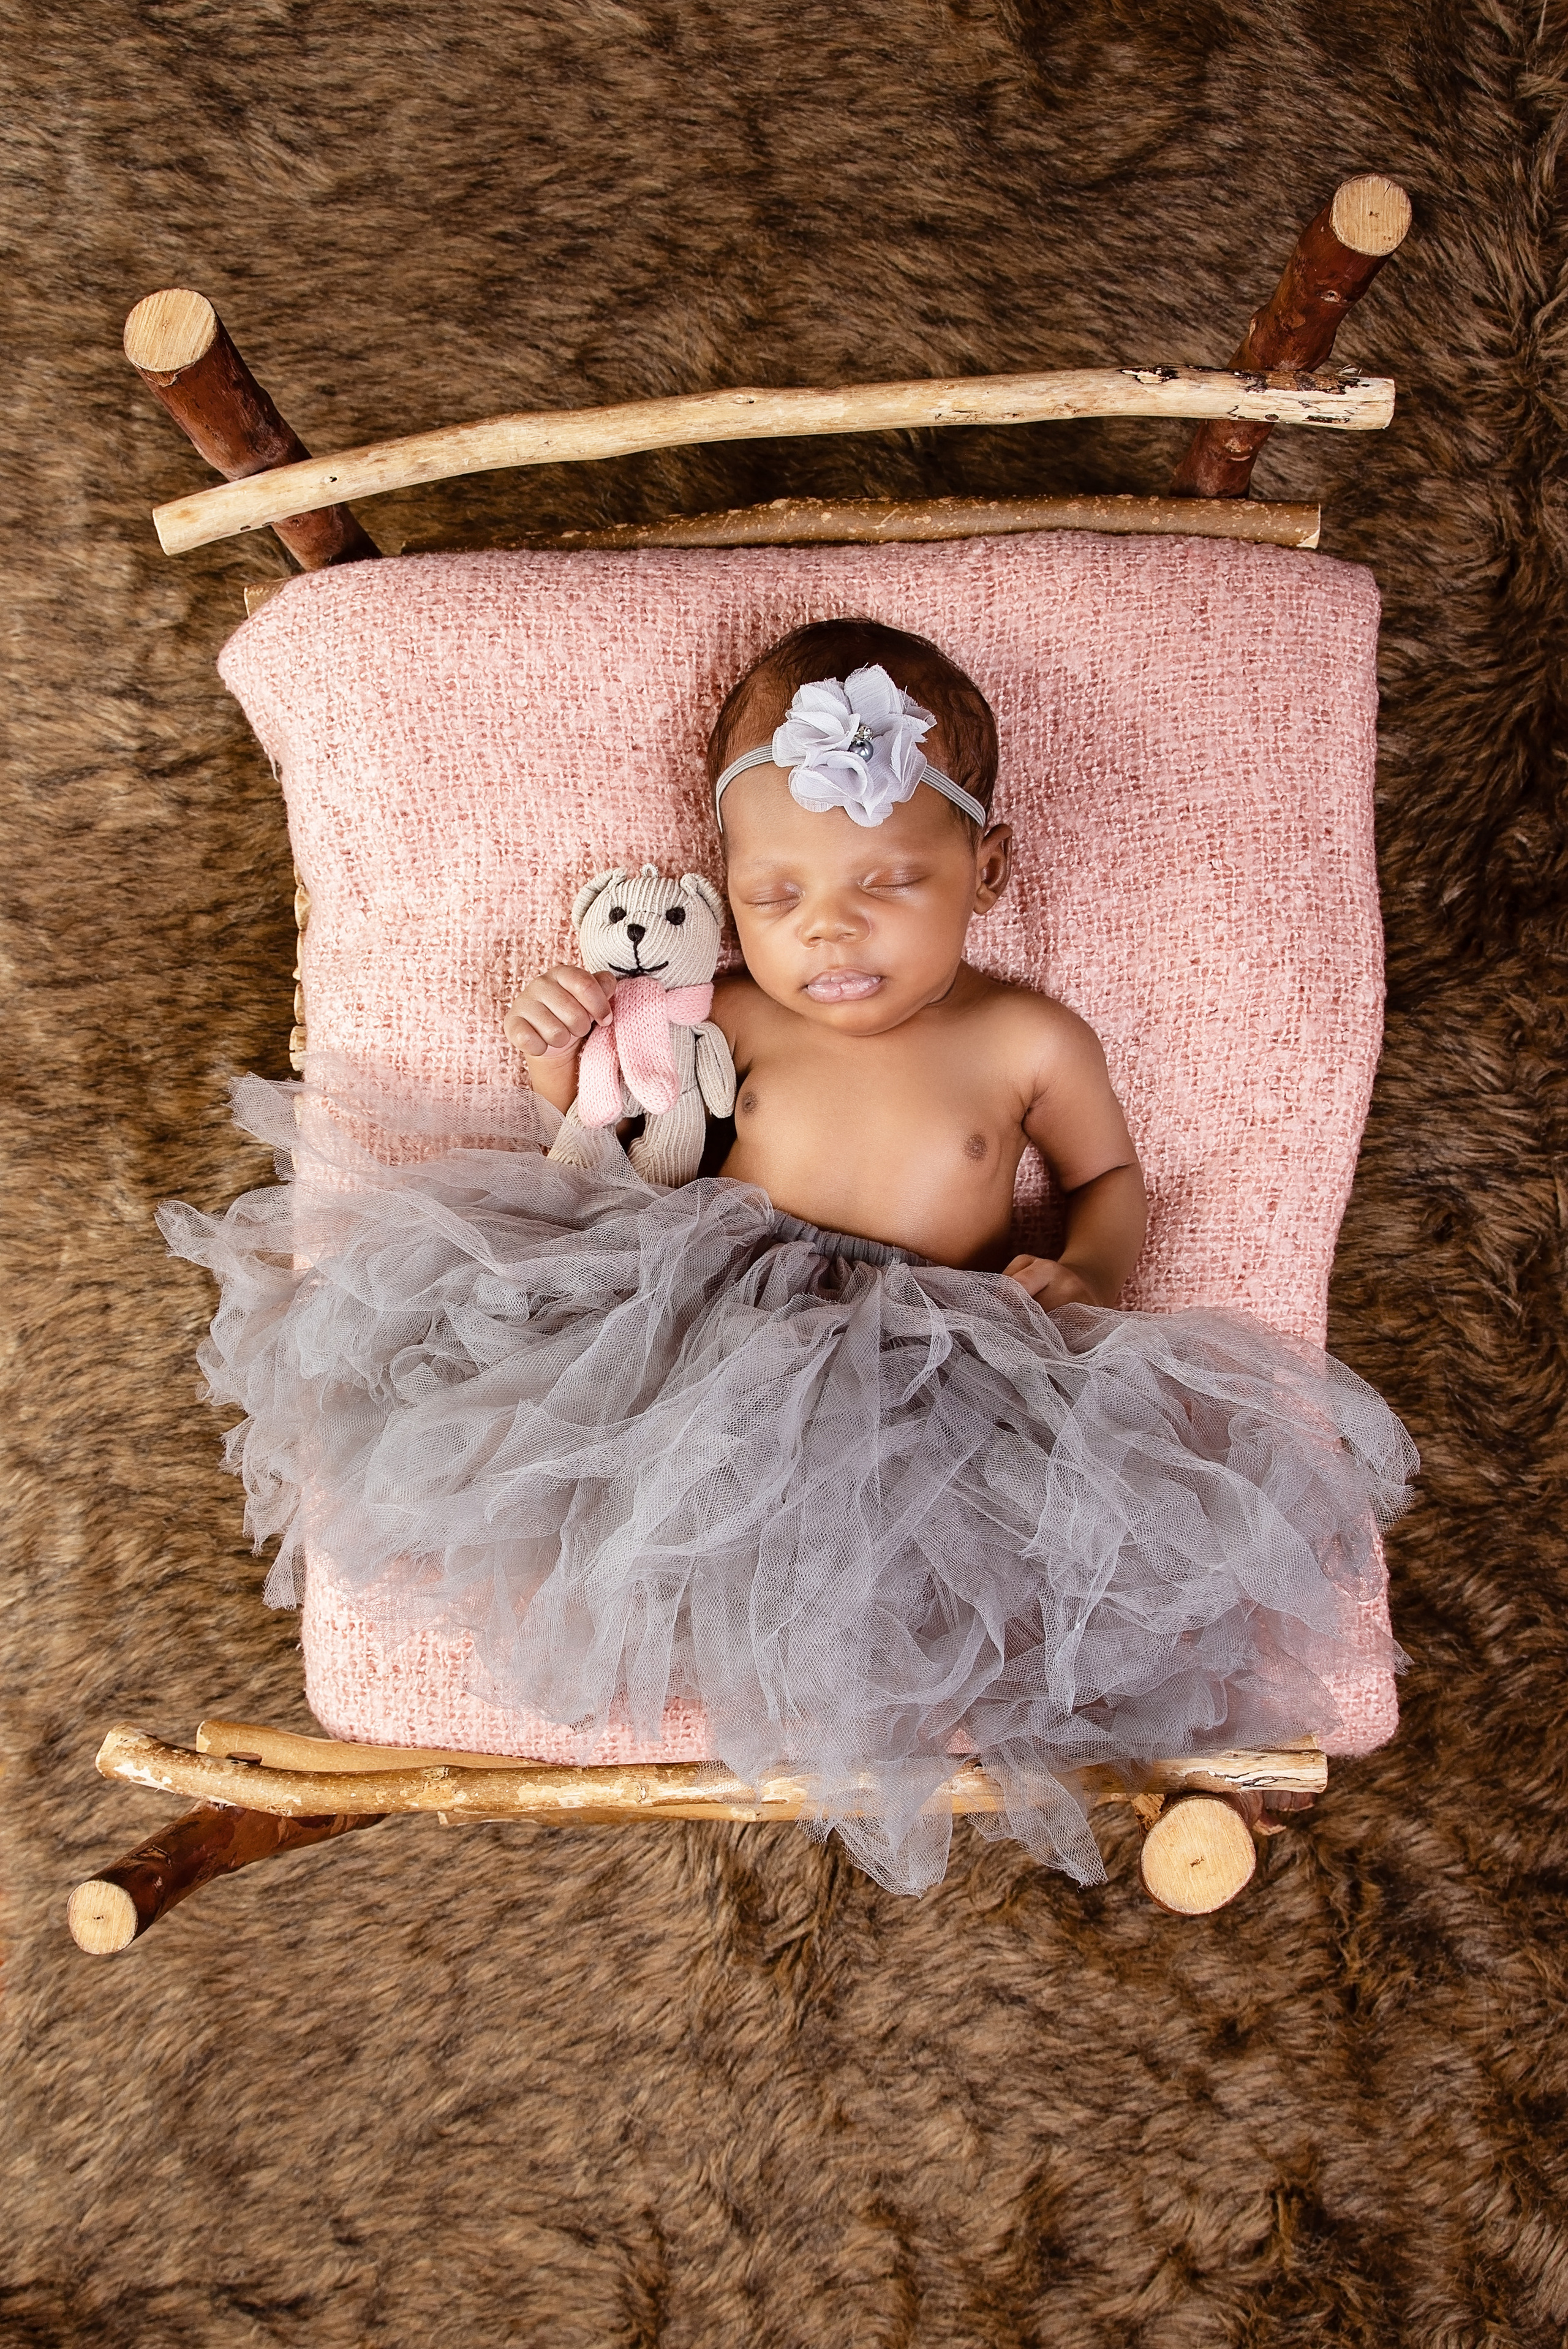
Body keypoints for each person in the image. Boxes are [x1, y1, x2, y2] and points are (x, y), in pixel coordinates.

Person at [164, 618, 1415, 1896]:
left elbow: (1107, 1178)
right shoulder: (727, 1011)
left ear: (988, 871)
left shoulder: (1027, 1037)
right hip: (714, 1308)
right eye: (775, 896)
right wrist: (559, 1059)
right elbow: (615, 1131)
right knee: (658, 1483)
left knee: (962, 1552)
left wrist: (1089, 1275)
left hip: (948, 1342)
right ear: (723, 883)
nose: (829, 932)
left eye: (888, 885)